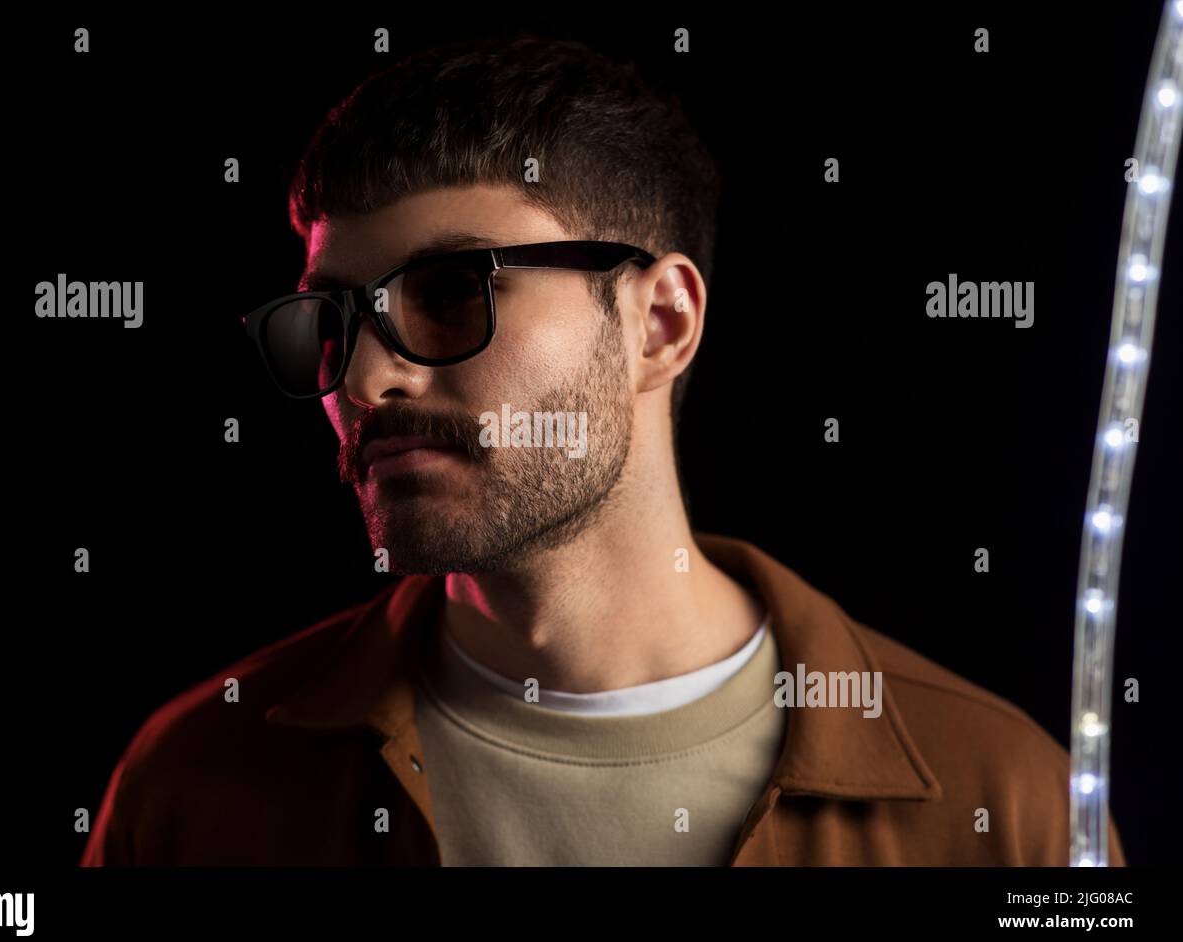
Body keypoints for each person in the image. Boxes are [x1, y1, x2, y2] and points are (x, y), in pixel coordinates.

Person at [82, 33, 1126, 866]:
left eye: (451, 294)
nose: (364, 380)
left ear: (661, 323)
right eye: (329, 323)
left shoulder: (998, 800)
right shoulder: (197, 785)